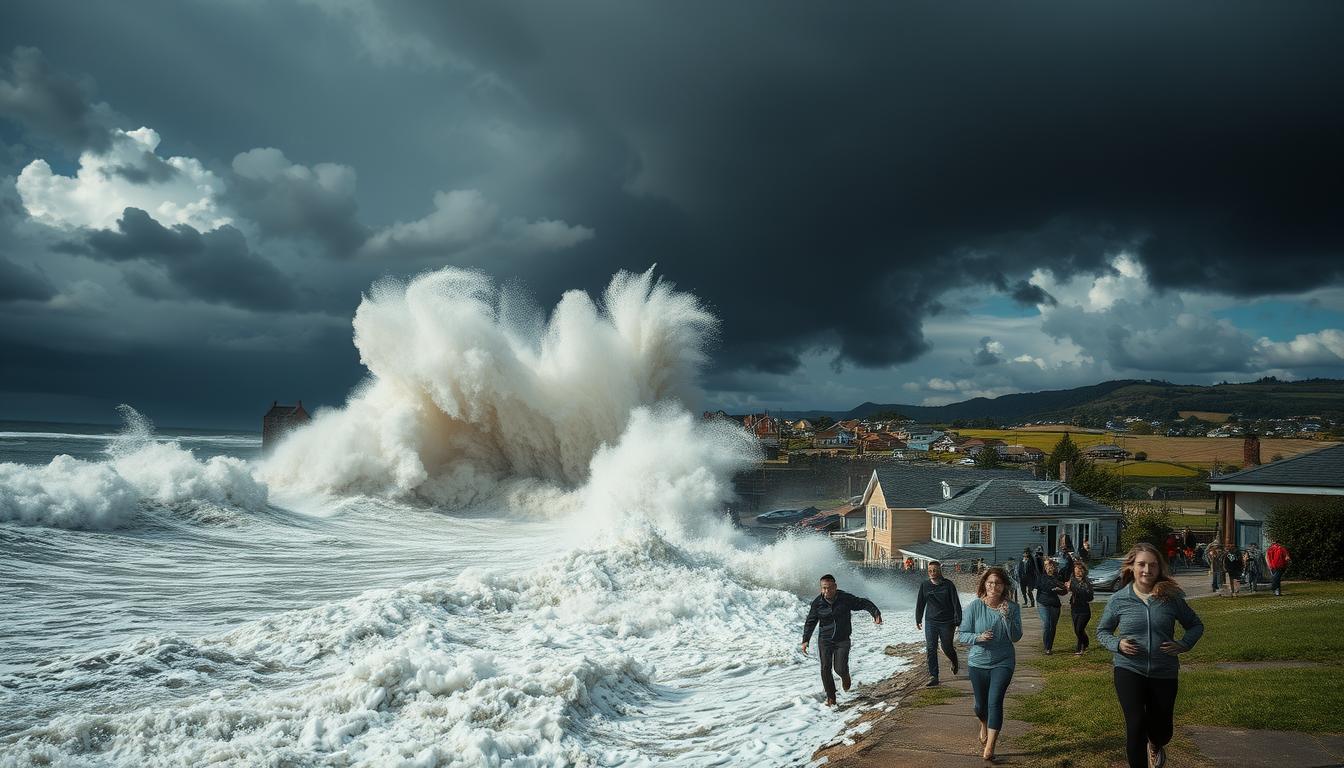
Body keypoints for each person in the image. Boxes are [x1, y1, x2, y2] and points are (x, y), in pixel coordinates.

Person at [1096, 543, 1204, 768]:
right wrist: (1118, 644)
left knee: (1162, 730)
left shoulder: (1171, 597)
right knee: (1135, 725)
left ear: (1159, 568)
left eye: (1152, 565)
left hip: (1164, 671)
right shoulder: (1119, 599)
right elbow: (1102, 631)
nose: (1147, 570)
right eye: (1141, 564)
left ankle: (1155, 744)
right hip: (1128, 669)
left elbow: (1195, 625)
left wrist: (1184, 644)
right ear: (1132, 567)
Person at [957, 566, 1023, 763]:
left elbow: (1016, 637)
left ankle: (990, 746)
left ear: (1004, 586)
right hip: (978, 662)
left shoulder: (1012, 608)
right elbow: (962, 634)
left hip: (1003, 661)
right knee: (980, 706)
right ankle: (983, 724)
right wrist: (979, 637)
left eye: (998, 583)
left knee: (995, 702)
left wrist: (1007, 617)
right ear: (984, 585)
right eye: (990, 583)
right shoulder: (974, 607)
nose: (994, 586)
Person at [801, 574, 882, 706]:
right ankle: (831, 697)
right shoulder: (818, 603)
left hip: (842, 639)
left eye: (829, 588)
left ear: (835, 587)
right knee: (825, 668)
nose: (826, 591)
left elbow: (863, 602)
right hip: (825, 640)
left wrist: (875, 613)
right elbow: (811, 621)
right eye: (823, 588)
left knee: (839, 668)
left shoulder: (845, 598)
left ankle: (845, 676)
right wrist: (805, 640)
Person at [915, 560, 962, 687]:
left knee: (947, 647)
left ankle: (954, 660)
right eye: (930, 571)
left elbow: (955, 603)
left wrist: (958, 620)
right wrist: (918, 619)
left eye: (935, 570)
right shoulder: (924, 585)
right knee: (931, 648)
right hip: (931, 621)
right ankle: (934, 676)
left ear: (940, 570)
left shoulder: (948, 585)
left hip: (947, 622)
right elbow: (920, 603)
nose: (932, 573)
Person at [1035, 559, 1068, 655]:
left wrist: (1058, 589)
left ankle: (1049, 647)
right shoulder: (1041, 576)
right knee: (1047, 624)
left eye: (1051, 566)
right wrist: (1053, 588)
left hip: (1054, 603)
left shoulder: (1058, 577)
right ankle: (1046, 647)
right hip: (1043, 602)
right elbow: (1041, 586)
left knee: (1052, 626)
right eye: (1047, 566)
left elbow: (1064, 591)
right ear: (1044, 568)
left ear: (1054, 567)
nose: (1049, 568)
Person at [1066, 560, 1096, 654]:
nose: (1079, 571)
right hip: (1074, 608)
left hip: (1084, 610)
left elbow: (1090, 597)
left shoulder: (1087, 582)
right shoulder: (1073, 580)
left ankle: (1081, 648)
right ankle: (1084, 644)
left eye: (1081, 569)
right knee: (1077, 630)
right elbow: (1069, 588)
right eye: (1077, 569)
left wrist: (1076, 589)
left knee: (1079, 629)